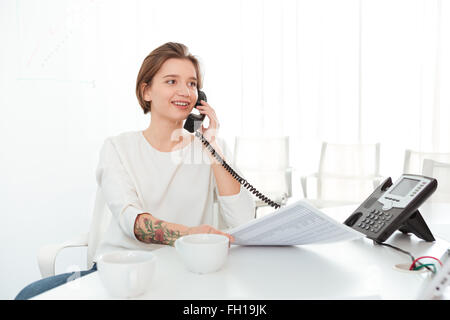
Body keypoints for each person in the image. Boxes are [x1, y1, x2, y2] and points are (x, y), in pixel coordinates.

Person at [15, 42, 255, 300]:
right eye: (171, 81)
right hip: (119, 272)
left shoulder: (211, 150)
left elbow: (242, 219)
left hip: (180, 273)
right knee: (28, 295)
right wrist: (189, 235)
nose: (185, 91)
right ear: (147, 91)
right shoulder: (118, 148)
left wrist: (211, 144)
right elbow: (135, 223)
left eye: (192, 84)